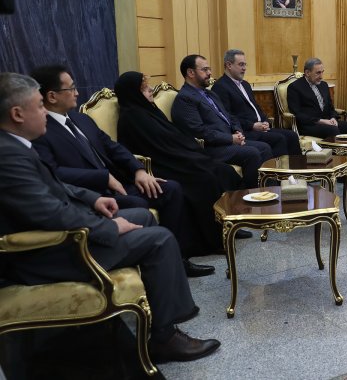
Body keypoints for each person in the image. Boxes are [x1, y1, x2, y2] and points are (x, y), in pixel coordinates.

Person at [0, 72, 220, 363]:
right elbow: (49, 211)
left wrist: (93, 198)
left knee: (143, 215)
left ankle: (161, 307)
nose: (43, 112)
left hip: (67, 230)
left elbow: (56, 186)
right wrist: (108, 226)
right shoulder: (8, 156)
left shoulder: (16, 146)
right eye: (39, 106)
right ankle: (165, 339)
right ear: (17, 114)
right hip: (50, 252)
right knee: (160, 240)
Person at [29, 65, 214, 278]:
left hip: (121, 182)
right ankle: (146, 264)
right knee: (138, 205)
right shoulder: (40, 130)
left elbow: (112, 147)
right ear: (52, 96)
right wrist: (103, 177)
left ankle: (179, 259)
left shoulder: (81, 119)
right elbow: (53, 174)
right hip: (91, 193)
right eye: (71, 88)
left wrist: (138, 171)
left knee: (170, 189)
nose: (77, 93)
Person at [114, 71, 243, 255]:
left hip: (177, 159)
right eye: (144, 88)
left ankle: (228, 224)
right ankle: (212, 239)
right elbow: (155, 149)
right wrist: (188, 156)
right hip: (161, 165)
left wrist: (190, 152)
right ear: (133, 93)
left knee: (223, 170)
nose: (150, 90)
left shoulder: (149, 110)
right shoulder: (131, 118)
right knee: (205, 178)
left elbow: (173, 136)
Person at [171, 54, 272, 190]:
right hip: (211, 147)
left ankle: (269, 191)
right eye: (205, 70)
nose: (209, 73)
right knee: (252, 153)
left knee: (265, 147)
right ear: (190, 73)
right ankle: (247, 196)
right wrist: (230, 138)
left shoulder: (210, 94)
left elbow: (230, 116)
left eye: (209, 69)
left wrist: (238, 131)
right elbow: (199, 131)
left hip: (228, 141)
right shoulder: (185, 99)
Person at [286, 57, 347, 183]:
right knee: (333, 130)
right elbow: (297, 113)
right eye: (318, 73)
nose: (321, 76)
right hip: (309, 125)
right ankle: (340, 174)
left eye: (322, 72)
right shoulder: (295, 87)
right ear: (307, 72)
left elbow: (330, 108)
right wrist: (321, 121)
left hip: (327, 122)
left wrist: (333, 117)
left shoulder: (323, 85)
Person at [212, 49, 301, 157]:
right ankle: (279, 168)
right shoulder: (220, 87)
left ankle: (297, 166)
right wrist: (252, 126)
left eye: (245, 64)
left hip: (259, 128)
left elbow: (256, 108)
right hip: (244, 131)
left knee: (292, 135)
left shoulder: (245, 84)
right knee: (279, 138)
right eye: (241, 65)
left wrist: (265, 121)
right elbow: (227, 117)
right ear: (229, 65)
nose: (244, 68)